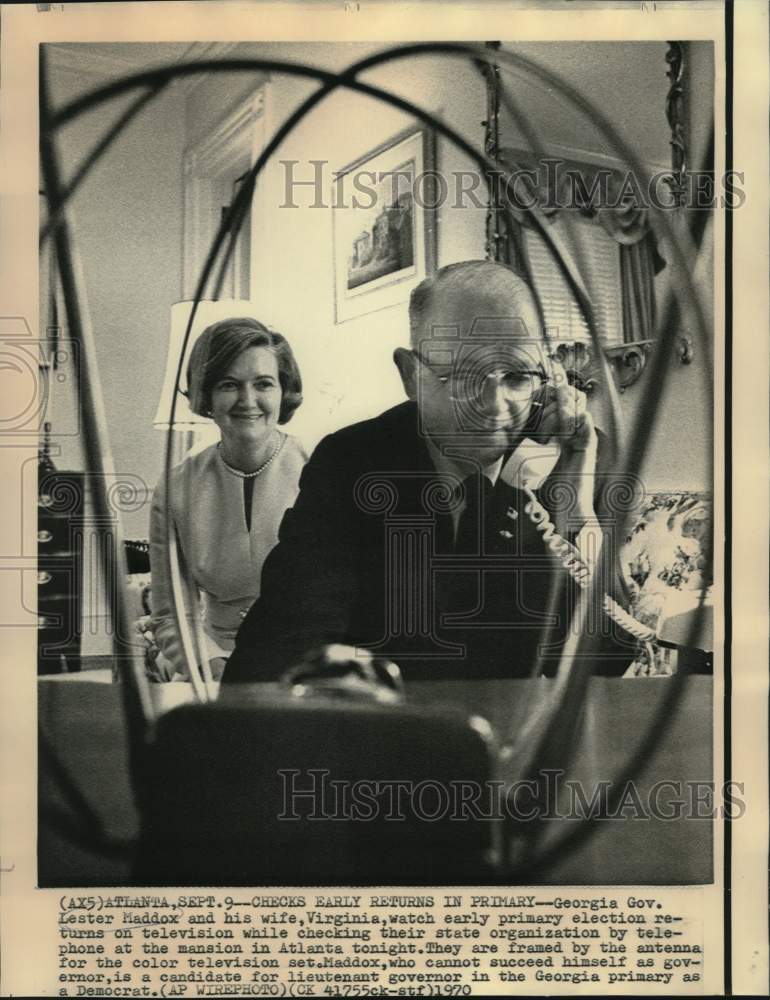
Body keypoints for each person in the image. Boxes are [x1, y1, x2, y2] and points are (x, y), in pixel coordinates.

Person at [223, 261, 634, 684]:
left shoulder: (585, 458)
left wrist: (576, 519)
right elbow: (282, 643)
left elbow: (608, 661)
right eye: (461, 376)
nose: (493, 405)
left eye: (516, 376)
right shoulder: (353, 462)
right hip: (385, 732)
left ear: (547, 377)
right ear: (410, 375)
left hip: (519, 738)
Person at [149, 317, 307, 681]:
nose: (247, 400)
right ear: (206, 397)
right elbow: (170, 612)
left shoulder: (319, 469)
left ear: (284, 391)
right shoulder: (176, 487)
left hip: (303, 662)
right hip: (209, 659)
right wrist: (209, 664)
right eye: (228, 385)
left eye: (263, 384)